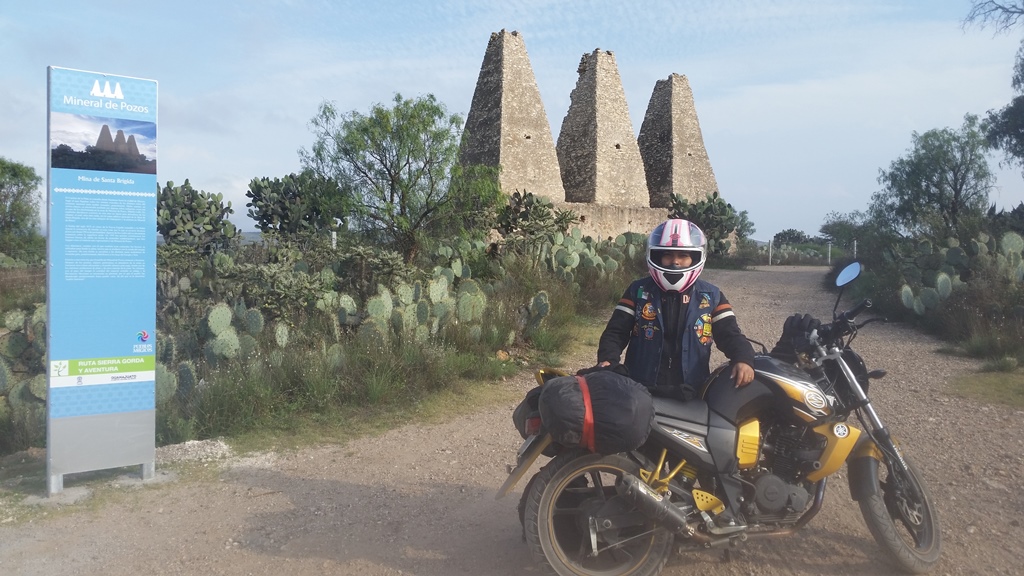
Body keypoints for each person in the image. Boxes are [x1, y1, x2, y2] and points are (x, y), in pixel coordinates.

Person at [596, 219, 755, 400]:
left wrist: (743, 358)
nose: (675, 262)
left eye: (683, 255)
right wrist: (608, 360)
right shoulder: (638, 291)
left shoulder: (711, 296)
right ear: (656, 256)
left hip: (690, 390)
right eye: (668, 255)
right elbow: (616, 332)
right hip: (640, 387)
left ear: (695, 257)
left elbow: (730, 334)